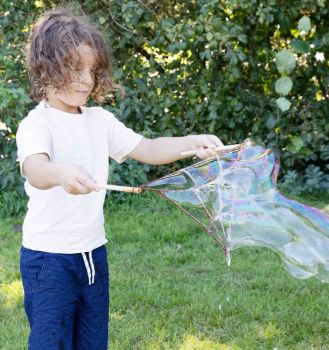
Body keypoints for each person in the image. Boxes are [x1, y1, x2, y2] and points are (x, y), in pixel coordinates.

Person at [16, 8, 223, 350]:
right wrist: (61, 173)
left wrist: (191, 143)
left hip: (93, 253)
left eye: (92, 70)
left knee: (93, 339)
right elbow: (36, 170)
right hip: (47, 259)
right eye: (75, 69)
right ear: (46, 68)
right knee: (50, 342)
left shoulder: (100, 120)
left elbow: (149, 148)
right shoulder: (37, 124)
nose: (87, 80)